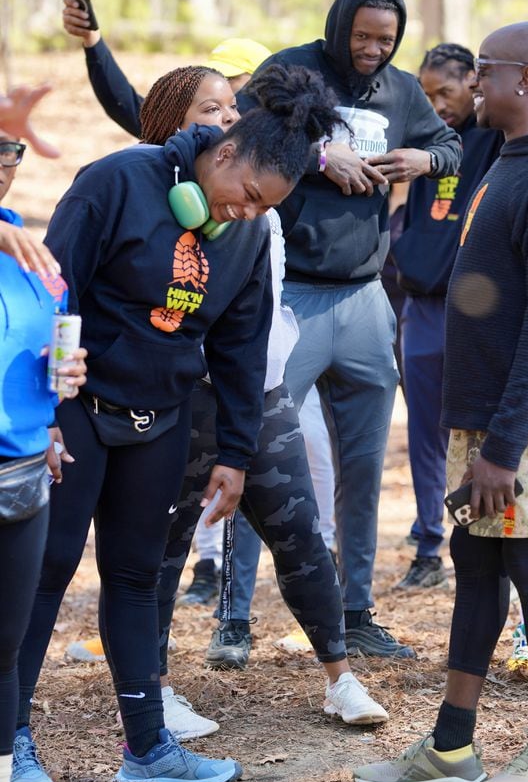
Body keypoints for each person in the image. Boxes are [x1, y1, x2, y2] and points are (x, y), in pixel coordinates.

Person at [10, 69, 336, 782]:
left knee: (135, 578)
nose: (250, 213)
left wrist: (234, 453)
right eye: (249, 195)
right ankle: (14, 745)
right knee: (44, 573)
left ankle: (149, 748)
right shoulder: (117, 182)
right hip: (77, 414)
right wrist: (44, 420)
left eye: (266, 208)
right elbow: (53, 294)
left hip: (162, 418)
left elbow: (241, 347)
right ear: (223, 156)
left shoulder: (246, 239)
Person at [352, 21, 528, 782]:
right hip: (496, 418)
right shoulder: (509, 159)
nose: (474, 85)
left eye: (488, 72)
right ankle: (451, 747)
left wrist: (502, 447)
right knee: (477, 569)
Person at [152, 71, 387, 731]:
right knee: (165, 549)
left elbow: (248, 321)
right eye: (210, 110)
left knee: (302, 537)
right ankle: (155, 691)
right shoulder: (151, 199)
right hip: (181, 403)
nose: (224, 120)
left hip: (258, 394)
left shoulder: (256, 212)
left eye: (232, 109)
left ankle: (340, 679)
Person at [240, 0, 462, 658]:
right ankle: (232, 618)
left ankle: (356, 610)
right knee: (257, 450)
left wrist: (423, 158)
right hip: (294, 292)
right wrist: (316, 155)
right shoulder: (292, 70)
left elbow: (454, 146)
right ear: (340, 26)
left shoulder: (400, 92)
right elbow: (241, 135)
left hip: (367, 296)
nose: (373, 49)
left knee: (364, 462)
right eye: (362, 36)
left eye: (386, 39)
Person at [0, 90, 87, 782]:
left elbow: (45, 356)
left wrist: (58, 403)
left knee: (4, 646)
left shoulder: (33, 259)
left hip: (23, 473)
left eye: (11, 151)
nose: (4, 163)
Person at [392, 42, 503, 589]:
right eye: (427, 92)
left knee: (475, 430)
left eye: (448, 92)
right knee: (424, 432)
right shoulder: (419, 141)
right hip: (421, 307)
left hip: (474, 311)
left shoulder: (493, 139)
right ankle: (428, 545)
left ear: (473, 86)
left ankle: (481, 543)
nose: (436, 104)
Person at [62, 0, 271, 134]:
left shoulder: (285, 146)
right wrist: (92, 40)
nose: (220, 86)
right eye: (216, 77)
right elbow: (124, 104)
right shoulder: (192, 132)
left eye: (231, 78)